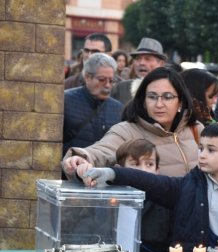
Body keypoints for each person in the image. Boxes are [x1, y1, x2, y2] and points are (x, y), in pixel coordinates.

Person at [79, 118, 218, 252]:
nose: (202, 155)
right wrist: (112, 173)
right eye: (200, 148)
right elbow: (149, 181)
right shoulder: (186, 187)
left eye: (211, 150)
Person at [62, 66, 200, 179]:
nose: (159, 104)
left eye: (167, 97)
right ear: (143, 101)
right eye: (152, 97)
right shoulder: (128, 131)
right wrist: (81, 158)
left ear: (180, 102)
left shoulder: (196, 130)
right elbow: (102, 150)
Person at [116, 139, 172, 252]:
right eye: (135, 164)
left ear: (157, 170)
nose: (142, 171)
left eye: (149, 164)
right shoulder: (109, 203)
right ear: (119, 170)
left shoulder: (166, 205)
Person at [62, 53, 123, 156]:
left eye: (111, 81)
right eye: (102, 80)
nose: (107, 85)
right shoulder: (66, 101)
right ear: (87, 77)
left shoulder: (118, 108)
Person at [111, 37, 167, 105]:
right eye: (138, 59)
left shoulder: (169, 90)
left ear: (161, 64)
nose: (141, 63)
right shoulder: (121, 89)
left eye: (147, 59)